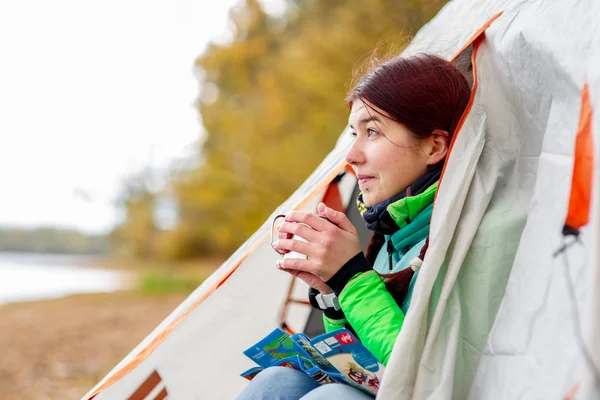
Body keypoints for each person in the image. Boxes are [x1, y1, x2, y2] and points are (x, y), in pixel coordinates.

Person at [236, 53, 471, 400]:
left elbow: (423, 376)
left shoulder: (468, 233)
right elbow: (364, 362)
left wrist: (351, 278)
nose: (351, 155)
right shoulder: (395, 234)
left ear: (434, 146)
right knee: (274, 383)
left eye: (372, 131)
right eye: (353, 134)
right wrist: (333, 294)